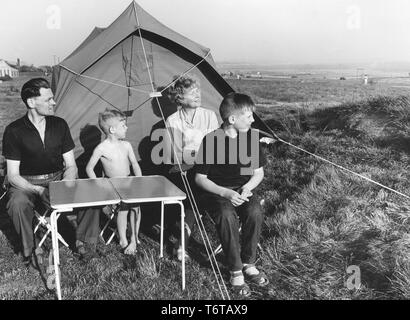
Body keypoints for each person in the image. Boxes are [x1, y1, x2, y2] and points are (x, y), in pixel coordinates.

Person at [2, 78, 100, 268]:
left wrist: (66, 183)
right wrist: (38, 191)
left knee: (90, 196)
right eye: (48, 100)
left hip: (58, 177)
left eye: (52, 98)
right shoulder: (14, 131)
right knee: (17, 203)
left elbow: (71, 165)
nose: (54, 103)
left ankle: (85, 245)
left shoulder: (60, 124)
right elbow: (13, 175)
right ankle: (29, 250)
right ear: (31, 102)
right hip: (26, 182)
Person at [194, 92, 269, 297]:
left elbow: (258, 173)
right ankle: (235, 269)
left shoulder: (251, 138)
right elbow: (200, 178)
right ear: (232, 119)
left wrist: (248, 188)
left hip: (243, 189)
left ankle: (249, 262)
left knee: (254, 211)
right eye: (249, 116)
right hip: (216, 191)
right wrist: (225, 193)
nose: (253, 120)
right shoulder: (212, 140)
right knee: (227, 216)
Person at [164, 75, 219, 261]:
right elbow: (175, 155)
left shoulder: (209, 116)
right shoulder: (172, 120)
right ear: (179, 97)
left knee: (195, 188)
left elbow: (216, 148)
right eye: (192, 92)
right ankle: (182, 244)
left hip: (207, 168)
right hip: (182, 170)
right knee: (193, 188)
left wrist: (195, 157)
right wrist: (196, 156)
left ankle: (182, 245)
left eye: (198, 91)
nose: (198, 95)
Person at [86, 109, 142, 255]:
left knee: (136, 209)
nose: (127, 128)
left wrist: (140, 180)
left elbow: (135, 164)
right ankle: (123, 240)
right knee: (123, 210)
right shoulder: (101, 148)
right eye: (123, 125)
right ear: (112, 129)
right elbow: (89, 168)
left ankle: (134, 239)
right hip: (114, 185)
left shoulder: (127, 145)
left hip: (129, 181)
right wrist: (99, 184)